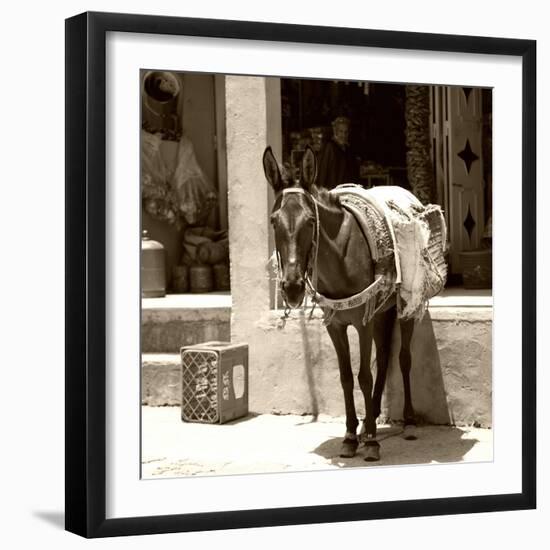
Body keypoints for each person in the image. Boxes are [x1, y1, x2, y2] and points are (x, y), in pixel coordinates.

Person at [316, 116, 359, 189]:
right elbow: (323, 171)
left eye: (346, 132)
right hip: (333, 191)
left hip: (346, 191)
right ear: (335, 131)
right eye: (341, 131)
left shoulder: (348, 149)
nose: (344, 135)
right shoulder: (330, 147)